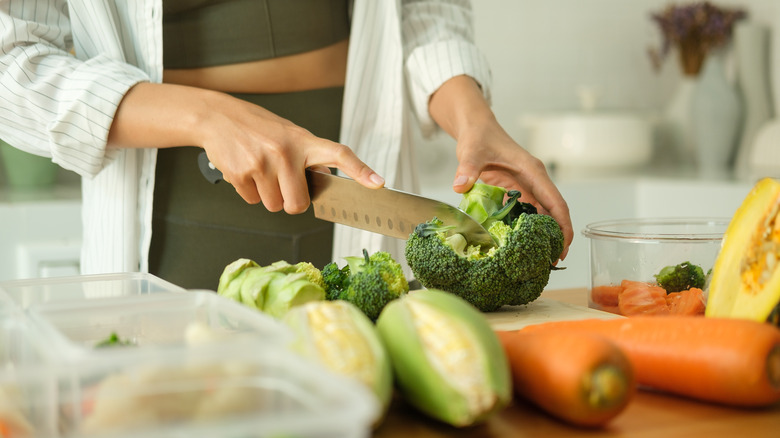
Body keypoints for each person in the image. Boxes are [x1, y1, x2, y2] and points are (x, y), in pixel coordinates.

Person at [0, 0, 572, 290]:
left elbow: (422, 11)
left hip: (357, 177)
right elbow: (11, 59)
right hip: (173, 212)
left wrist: (472, 115)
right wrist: (210, 116)